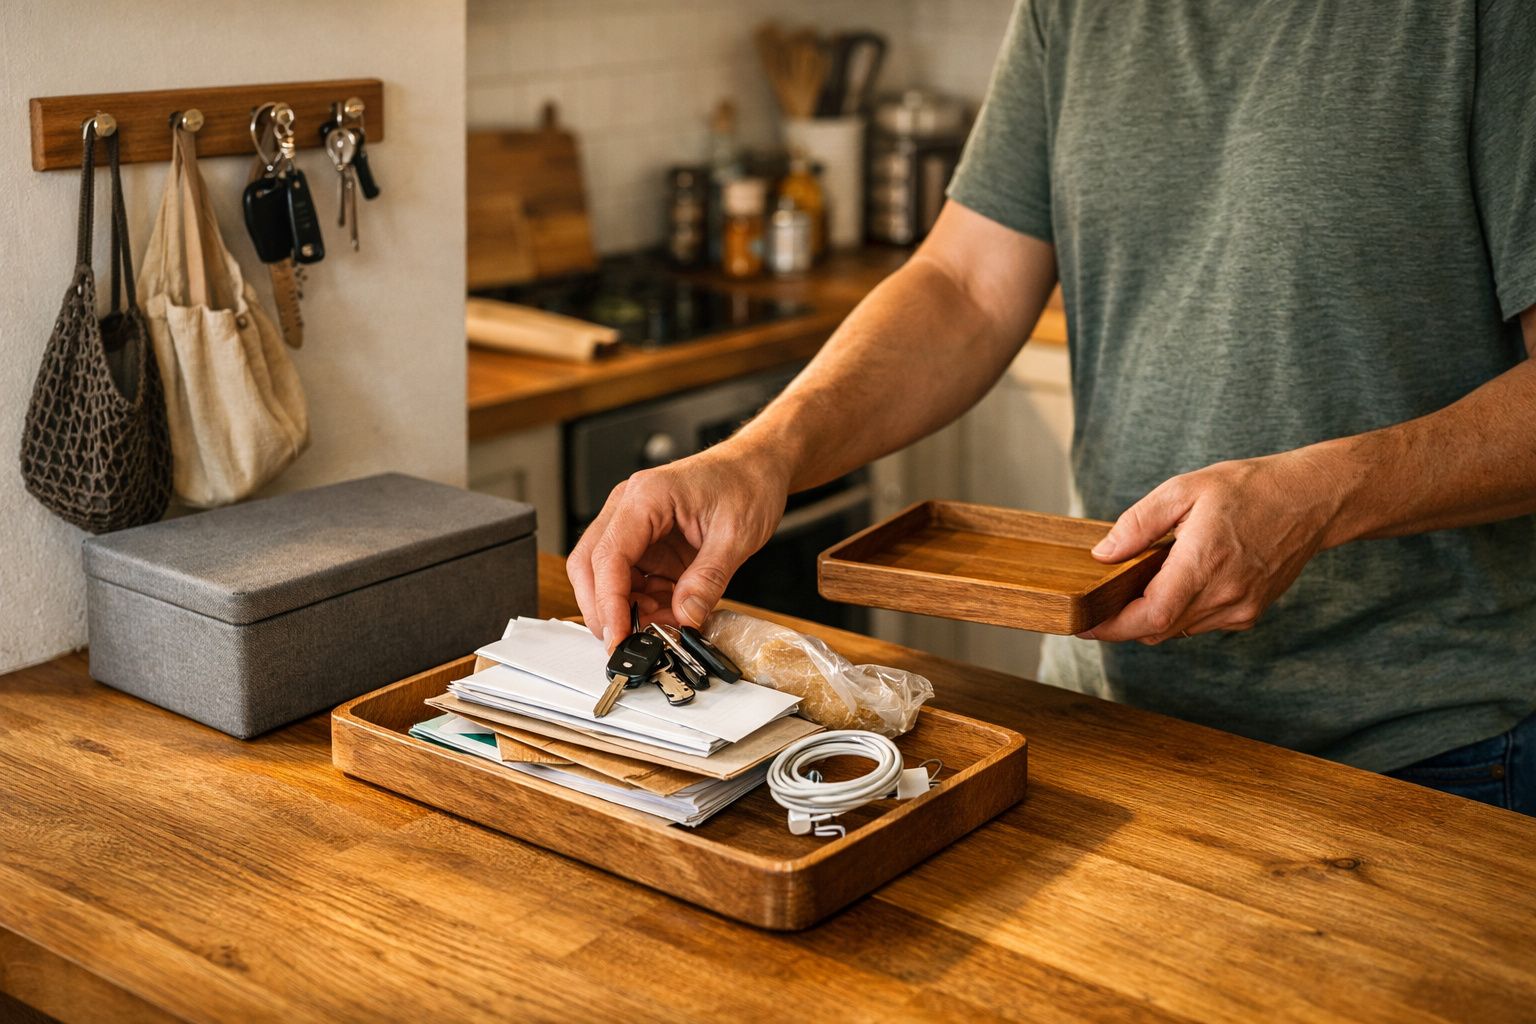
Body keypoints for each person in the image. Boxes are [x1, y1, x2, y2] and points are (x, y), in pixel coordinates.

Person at [569, 0, 1536, 815]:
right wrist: (760, 456)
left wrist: (1323, 494)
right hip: (1106, 720)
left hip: (1429, 753)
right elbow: (965, 283)